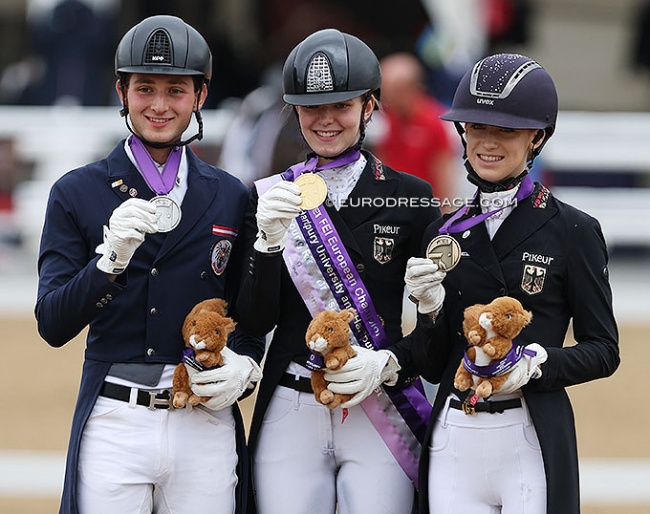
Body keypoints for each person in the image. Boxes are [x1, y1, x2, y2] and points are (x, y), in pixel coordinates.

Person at [35, 15, 264, 514]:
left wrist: (247, 367)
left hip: (204, 415)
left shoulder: (229, 194)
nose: (159, 106)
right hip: (116, 419)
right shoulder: (75, 191)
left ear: (200, 97)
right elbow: (52, 323)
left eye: (176, 91)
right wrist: (108, 261)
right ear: (122, 91)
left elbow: (248, 315)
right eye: (145, 89)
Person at [386, 53, 620, 513]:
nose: (488, 143)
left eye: (506, 130)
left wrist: (537, 363)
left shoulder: (572, 231)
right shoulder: (443, 232)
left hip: (529, 436)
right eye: (476, 127)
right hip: (456, 439)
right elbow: (435, 365)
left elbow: (604, 349)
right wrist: (428, 314)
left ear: (537, 137)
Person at [234, 29, 441, 514]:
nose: (326, 121)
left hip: (378, 405)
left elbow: (438, 328)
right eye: (311, 108)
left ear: (370, 107)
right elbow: (254, 319)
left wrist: (391, 362)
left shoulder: (411, 197)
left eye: (342, 106)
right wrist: (265, 246)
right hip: (292, 404)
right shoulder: (269, 197)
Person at [372, 52, 457, 209]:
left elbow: (444, 178)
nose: (385, 96)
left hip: (424, 210)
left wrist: (443, 220)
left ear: (410, 88)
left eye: (392, 90)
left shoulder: (434, 122)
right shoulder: (386, 119)